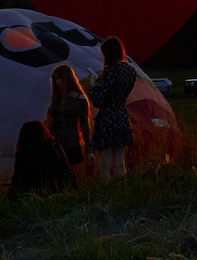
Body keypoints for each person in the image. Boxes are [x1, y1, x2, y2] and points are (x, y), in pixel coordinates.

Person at [89, 38, 140, 181]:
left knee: (105, 163)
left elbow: (99, 101)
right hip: (122, 116)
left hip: (107, 118)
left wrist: (94, 86)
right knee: (119, 161)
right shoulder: (130, 71)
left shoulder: (110, 72)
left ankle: (106, 190)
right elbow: (117, 89)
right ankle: (122, 188)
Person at [44, 64, 93, 170]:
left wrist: (89, 150)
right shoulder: (57, 98)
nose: (58, 82)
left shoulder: (80, 99)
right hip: (55, 142)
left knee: (68, 173)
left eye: (60, 79)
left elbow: (85, 125)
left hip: (70, 143)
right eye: (56, 80)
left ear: (67, 78)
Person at [10, 119, 74, 195]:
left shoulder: (23, 152)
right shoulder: (53, 146)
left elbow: (18, 179)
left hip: (31, 194)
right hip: (59, 191)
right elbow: (66, 169)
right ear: (44, 132)